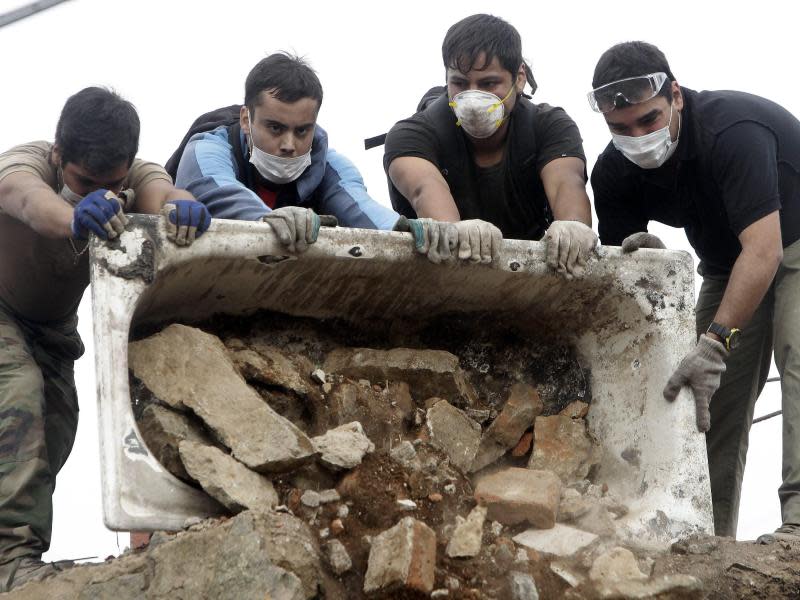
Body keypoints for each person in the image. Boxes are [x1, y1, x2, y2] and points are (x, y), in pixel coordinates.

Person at [588, 41, 800, 541]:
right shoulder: (613, 172)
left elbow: (765, 250)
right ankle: (703, 531)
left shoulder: (732, 131)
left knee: (797, 356)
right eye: (621, 128)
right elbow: (630, 279)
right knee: (701, 391)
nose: (638, 136)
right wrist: (648, 257)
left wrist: (716, 341)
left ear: (676, 96)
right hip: (728, 264)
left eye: (649, 120)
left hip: (790, 242)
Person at [0, 86, 211, 591]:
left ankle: (17, 548)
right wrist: (72, 215)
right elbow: (26, 201)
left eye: (111, 183)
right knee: (18, 398)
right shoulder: (26, 163)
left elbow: (164, 195)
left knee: (51, 432)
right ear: (58, 155)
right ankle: (10, 561)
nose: (101, 191)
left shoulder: (135, 177)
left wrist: (184, 208)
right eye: (83, 181)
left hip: (52, 329)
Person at [173, 52, 465, 263]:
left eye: (302, 130)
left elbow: (358, 206)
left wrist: (408, 230)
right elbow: (215, 187)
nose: (289, 144)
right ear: (246, 119)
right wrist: (265, 219)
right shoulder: (208, 147)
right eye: (275, 128)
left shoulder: (328, 164)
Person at [382, 13, 597, 277]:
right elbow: (424, 189)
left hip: (533, 279)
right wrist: (454, 230)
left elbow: (567, 182)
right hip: (440, 278)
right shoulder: (410, 135)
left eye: (489, 83)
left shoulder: (550, 126)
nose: (473, 96)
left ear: (519, 78)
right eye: (459, 83)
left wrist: (572, 227)